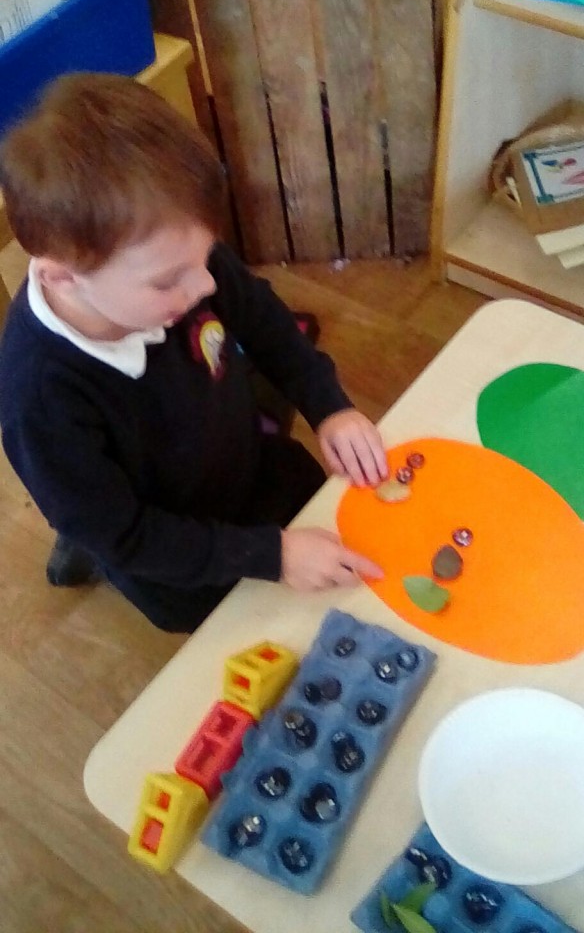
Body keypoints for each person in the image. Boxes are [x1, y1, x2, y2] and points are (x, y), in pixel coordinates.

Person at [0, 73, 387, 633]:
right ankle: (78, 529)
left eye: (207, 257)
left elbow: (262, 318)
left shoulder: (177, 262)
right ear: (62, 277)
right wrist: (271, 557)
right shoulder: (39, 400)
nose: (205, 285)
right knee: (261, 632)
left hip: (250, 471)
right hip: (179, 560)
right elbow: (130, 536)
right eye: (168, 281)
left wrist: (329, 406)